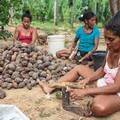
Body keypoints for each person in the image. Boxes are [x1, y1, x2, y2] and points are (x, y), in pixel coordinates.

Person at [39, 11, 120, 117]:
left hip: (117, 90)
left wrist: (86, 91)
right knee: (79, 68)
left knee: (98, 108)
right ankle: (50, 88)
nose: (107, 42)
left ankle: (101, 97)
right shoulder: (110, 48)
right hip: (107, 82)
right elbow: (102, 70)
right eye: (105, 39)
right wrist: (88, 79)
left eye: (111, 39)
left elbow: (116, 87)